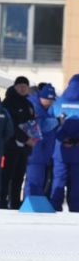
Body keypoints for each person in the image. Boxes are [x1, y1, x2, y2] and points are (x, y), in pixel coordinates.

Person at [1, 76, 37, 209]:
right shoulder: (8, 102)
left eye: (25, 86)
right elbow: (11, 126)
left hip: (24, 148)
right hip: (10, 146)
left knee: (19, 177)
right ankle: (2, 203)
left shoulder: (28, 104)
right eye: (20, 86)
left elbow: (32, 124)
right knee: (6, 176)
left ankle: (16, 203)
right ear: (15, 87)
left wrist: (33, 138)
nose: (22, 88)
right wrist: (25, 139)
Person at [50, 74, 79, 210]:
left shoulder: (57, 102)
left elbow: (50, 125)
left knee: (58, 179)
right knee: (77, 181)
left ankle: (56, 206)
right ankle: (76, 208)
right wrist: (74, 140)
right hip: (77, 149)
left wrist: (62, 138)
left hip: (59, 149)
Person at [24, 83, 58, 198]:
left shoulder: (42, 108)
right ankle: (31, 204)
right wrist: (57, 121)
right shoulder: (35, 107)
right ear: (44, 98)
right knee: (34, 183)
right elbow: (40, 126)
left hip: (41, 155)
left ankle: (34, 203)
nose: (51, 103)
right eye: (50, 100)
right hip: (35, 154)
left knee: (38, 184)